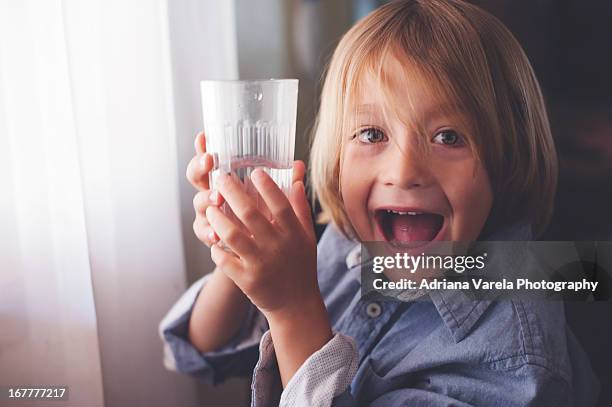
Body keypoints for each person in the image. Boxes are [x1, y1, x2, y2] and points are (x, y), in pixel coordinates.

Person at [159, 0, 599, 405]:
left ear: (509, 159)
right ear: (335, 158)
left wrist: (294, 311)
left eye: (448, 137)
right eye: (371, 134)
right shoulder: (343, 243)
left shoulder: (515, 349)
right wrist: (240, 253)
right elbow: (203, 352)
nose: (404, 172)